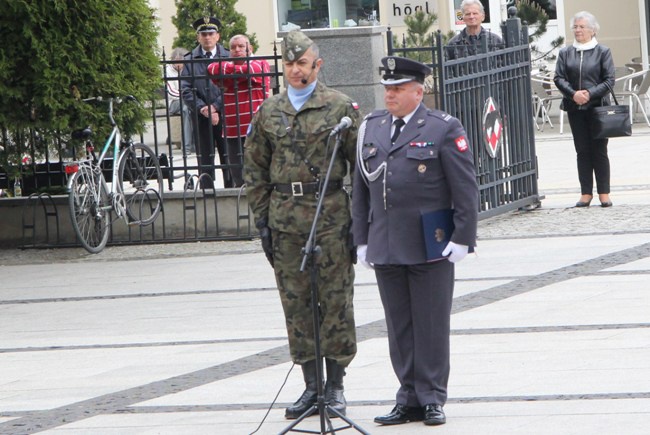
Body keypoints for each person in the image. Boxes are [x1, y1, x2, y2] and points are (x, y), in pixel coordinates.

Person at [352, 56, 478, 426]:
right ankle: (407, 395)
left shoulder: (442, 127)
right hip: (386, 242)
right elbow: (360, 188)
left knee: (430, 323)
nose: (389, 94)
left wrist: (462, 237)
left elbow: (465, 188)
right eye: (387, 88)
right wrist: (361, 238)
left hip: (430, 242)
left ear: (418, 92)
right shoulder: (371, 127)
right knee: (399, 325)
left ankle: (432, 395)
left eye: (397, 88)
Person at [244, 30, 360, 419]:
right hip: (285, 221)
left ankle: (336, 386)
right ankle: (311, 387)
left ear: (317, 65)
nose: (296, 71)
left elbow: (360, 170)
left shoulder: (340, 108)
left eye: (302, 64)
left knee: (336, 302)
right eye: (290, 65)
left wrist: (359, 221)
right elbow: (255, 170)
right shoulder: (268, 112)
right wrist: (263, 222)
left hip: (329, 219)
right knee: (296, 304)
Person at [554, 11, 615, 208]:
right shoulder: (565, 53)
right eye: (575, 27)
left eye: (582, 27)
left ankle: (604, 193)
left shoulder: (602, 51)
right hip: (575, 107)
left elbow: (609, 80)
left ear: (592, 30)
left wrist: (588, 93)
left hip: (597, 107)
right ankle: (586, 193)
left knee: (599, 150)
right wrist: (574, 94)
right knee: (582, 151)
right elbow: (559, 78)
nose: (578, 30)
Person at [208, 35, 271, 187]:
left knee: (260, 172)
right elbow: (212, 68)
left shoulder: (261, 64)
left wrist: (231, 76)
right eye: (233, 47)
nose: (237, 50)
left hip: (257, 129)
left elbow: (251, 70)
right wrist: (240, 74)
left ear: (250, 49)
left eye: (241, 46)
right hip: (232, 130)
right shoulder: (221, 66)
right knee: (238, 174)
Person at [180, 16, 231, 188]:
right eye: (203, 34)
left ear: (218, 36)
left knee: (229, 157)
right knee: (205, 159)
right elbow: (185, 89)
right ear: (198, 37)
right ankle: (207, 195)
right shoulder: (189, 59)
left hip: (226, 115)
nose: (207, 37)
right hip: (201, 117)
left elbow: (233, 86)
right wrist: (203, 108)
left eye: (210, 33)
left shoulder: (228, 56)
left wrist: (216, 107)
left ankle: (232, 192)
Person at [164, 47, 195, 155]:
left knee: (191, 108)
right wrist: (187, 96)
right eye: (175, 62)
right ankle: (187, 147)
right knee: (187, 108)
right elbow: (171, 91)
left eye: (181, 62)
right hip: (174, 102)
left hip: (188, 100)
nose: (178, 65)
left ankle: (195, 144)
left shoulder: (188, 69)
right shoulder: (167, 71)